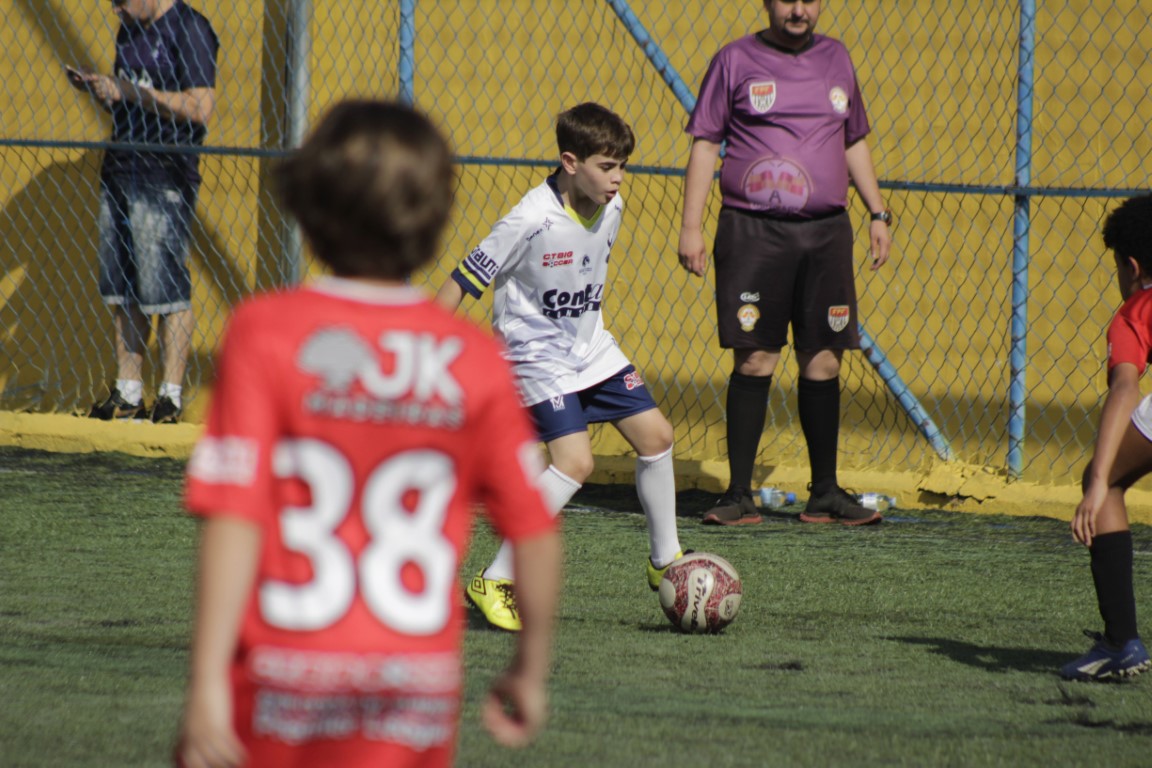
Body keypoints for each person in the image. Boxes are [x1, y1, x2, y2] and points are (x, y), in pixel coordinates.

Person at [176, 101, 562, 767]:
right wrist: (530, 666)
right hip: (409, 699)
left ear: (310, 206)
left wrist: (207, 678)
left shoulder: (266, 331)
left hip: (278, 684)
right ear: (435, 219)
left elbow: (234, 514)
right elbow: (534, 533)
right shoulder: (474, 359)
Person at [436, 102, 686, 632]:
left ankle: (666, 561)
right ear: (570, 163)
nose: (618, 179)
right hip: (534, 356)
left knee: (657, 437)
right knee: (575, 463)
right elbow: (462, 281)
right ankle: (495, 578)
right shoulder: (529, 219)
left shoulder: (612, 205)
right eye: (607, 167)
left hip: (590, 348)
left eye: (622, 166)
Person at [677, 0, 892, 526]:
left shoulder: (837, 57)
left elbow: (853, 139)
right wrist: (690, 226)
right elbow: (705, 145)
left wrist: (877, 211)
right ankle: (738, 495)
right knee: (755, 358)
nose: (799, 9)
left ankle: (826, 493)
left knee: (824, 360)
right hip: (753, 232)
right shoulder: (734, 60)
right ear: (768, 2)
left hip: (826, 233)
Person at [67, 0, 218, 424]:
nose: (116, 9)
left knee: (165, 287)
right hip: (120, 164)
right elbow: (129, 102)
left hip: (164, 169)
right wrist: (105, 91)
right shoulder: (130, 29)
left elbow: (200, 108)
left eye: (121, 0)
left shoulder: (189, 29)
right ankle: (128, 392)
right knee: (124, 287)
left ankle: (169, 396)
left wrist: (131, 91)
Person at [1062, 194, 1152, 682]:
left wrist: (1098, 480)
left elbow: (1125, 388)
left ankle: (1120, 643)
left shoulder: (1135, 310)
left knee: (1108, 481)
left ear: (1132, 266)